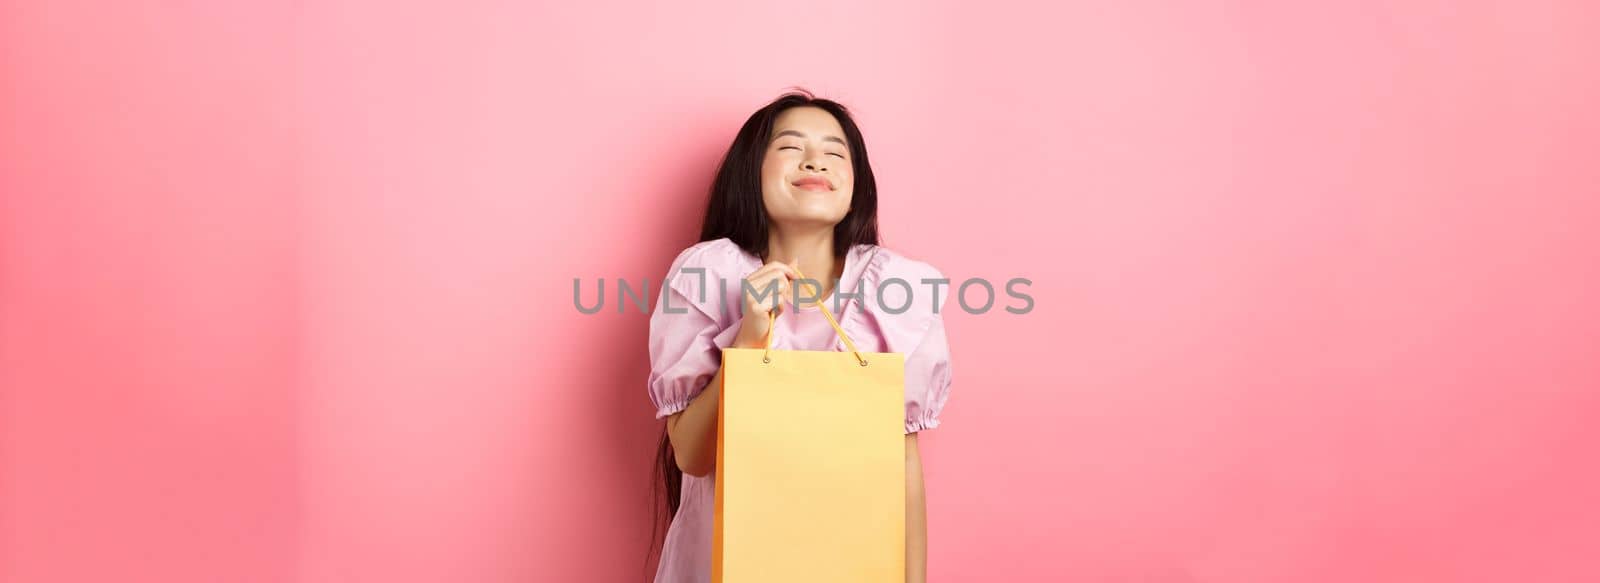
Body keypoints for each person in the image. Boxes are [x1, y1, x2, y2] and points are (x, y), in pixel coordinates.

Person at [646, 90, 953, 583]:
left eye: (836, 152)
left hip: (852, 564)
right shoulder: (706, 275)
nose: (816, 160)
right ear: (752, 171)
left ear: (857, 183)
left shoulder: (898, 290)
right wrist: (746, 342)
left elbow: (902, 466)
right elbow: (691, 456)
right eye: (791, 146)